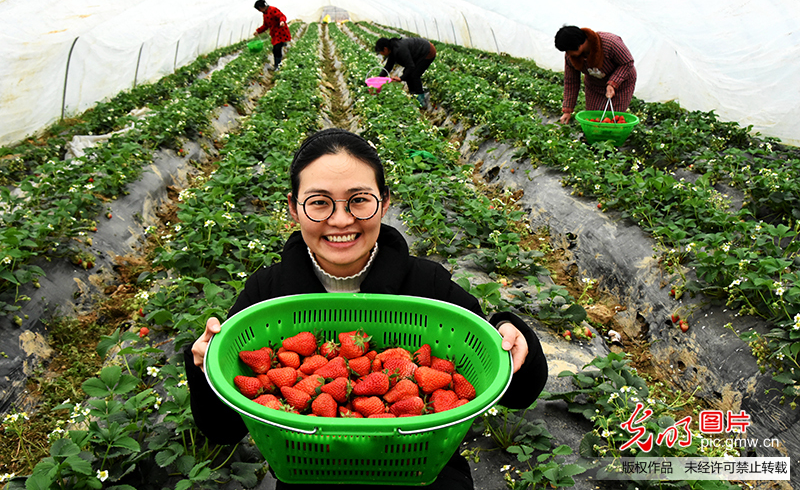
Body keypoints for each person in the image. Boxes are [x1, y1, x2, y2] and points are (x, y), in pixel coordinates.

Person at [184, 128, 548, 489]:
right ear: (294, 208)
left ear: (384, 201)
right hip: (308, 471)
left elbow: (517, 392)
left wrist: (510, 335)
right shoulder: (267, 293)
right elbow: (223, 430)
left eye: (358, 200)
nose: (341, 220)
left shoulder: (427, 284)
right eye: (319, 202)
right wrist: (205, 366)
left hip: (422, 471)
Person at [554, 25, 637, 125]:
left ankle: (609, 139)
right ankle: (593, 138)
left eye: (568, 50)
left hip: (621, 83)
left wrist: (613, 83)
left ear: (579, 44)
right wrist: (567, 110)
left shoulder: (610, 43)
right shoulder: (571, 57)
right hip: (594, 85)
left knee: (611, 118)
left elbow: (627, 62)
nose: (568, 53)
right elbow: (571, 82)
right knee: (593, 117)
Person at [375, 37, 437, 107]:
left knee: (414, 75)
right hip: (418, 53)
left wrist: (401, 78)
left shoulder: (400, 49)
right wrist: (378, 79)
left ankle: (421, 101)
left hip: (428, 51)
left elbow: (411, 66)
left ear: (385, 49)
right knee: (408, 73)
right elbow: (388, 66)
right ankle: (413, 95)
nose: (381, 54)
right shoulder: (392, 49)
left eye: (381, 52)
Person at [254, 0, 292, 70]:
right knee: (275, 50)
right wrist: (258, 31)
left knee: (277, 48)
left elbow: (282, 16)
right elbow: (265, 25)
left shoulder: (272, 9)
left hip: (281, 31)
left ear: (260, 8)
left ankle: (278, 65)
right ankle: (277, 65)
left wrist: (282, 21)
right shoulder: (265, 14)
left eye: (258, 9)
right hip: (275, 34)